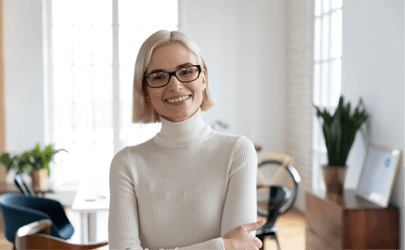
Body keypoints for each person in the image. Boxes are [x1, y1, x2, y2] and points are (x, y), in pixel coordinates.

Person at [108, 30, 265, 250]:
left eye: (186, 71)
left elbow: (240, 248)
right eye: (159, 76)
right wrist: (222, 246)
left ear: (203, 78)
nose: (175, 85)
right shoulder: (126, 163)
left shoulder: (237, 151)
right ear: (145, 91)